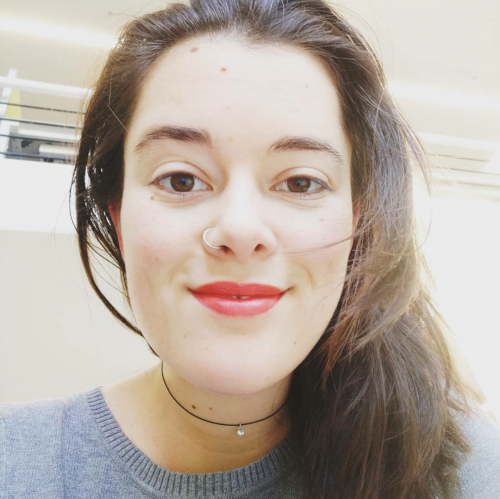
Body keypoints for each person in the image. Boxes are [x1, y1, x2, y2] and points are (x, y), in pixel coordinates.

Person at [2, 0, 500, 497]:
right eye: (180, 179)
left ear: (357, 220)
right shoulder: (16, 463)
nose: (239, 229)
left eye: (301, 183)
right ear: (117, 213)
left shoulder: (465, 470)